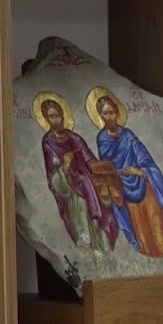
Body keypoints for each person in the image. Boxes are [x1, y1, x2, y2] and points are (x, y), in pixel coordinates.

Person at [94, 94, 163, 258]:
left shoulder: (127, 135)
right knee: (139, 225)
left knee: (156, 215)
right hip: (122, 186)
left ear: (117, 113)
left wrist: (140, 171)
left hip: (140, 182)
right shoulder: (102, 139)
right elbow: (108, 167)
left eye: (112, 112)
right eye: (105, 113)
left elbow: (142, 155)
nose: (110, 117)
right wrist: (122, 173)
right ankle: (148, 254)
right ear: (101, 116)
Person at [40, 98, 118, 252]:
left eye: (58, 115)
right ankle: (85, 241)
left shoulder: (74, 138)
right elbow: (53, 178)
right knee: (81, 199)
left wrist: (106, 176)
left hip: (86, 182)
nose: (56, 120)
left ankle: (103, 245)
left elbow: (90, 160)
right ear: (47, 119)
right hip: (70, 187)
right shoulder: (48, 142)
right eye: (51, 116)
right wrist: (66, 166)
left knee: (95, 192)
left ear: (63, 116)